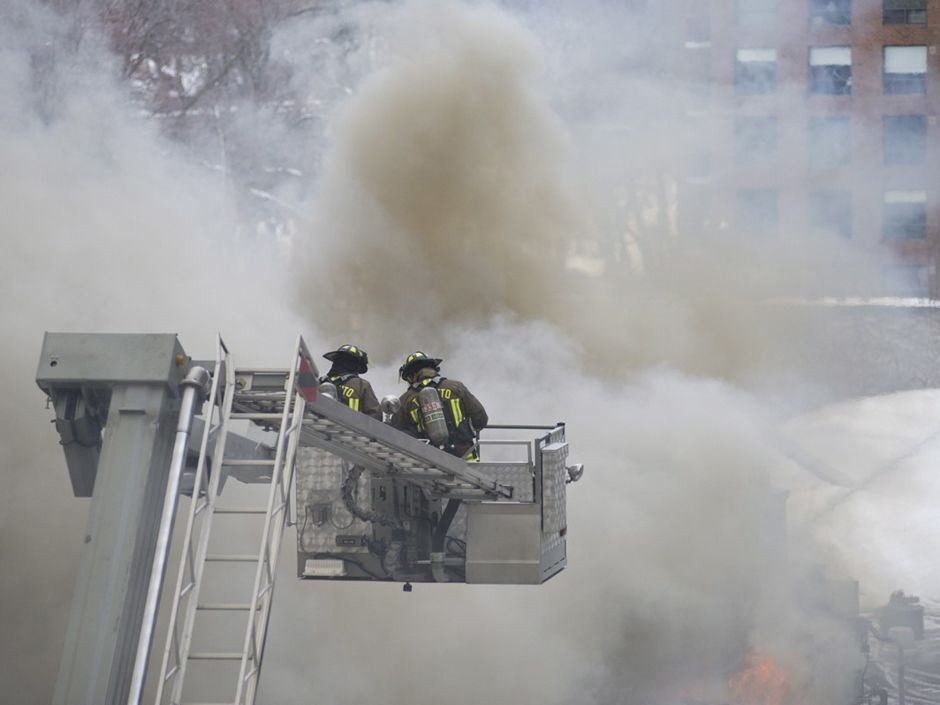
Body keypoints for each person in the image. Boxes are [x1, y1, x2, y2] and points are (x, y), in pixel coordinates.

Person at [391, 351, 488, 460]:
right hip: (466, 458)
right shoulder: (456, 387)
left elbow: (395, 434)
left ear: (411, 376)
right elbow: (481, 418)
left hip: (427, 463)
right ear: (433, 369)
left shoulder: (405, 400)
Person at [320, 344, 381, 419]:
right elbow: (375, 415)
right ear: (357, 366)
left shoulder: (320, 382)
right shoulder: (361, 385)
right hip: (350, 429)